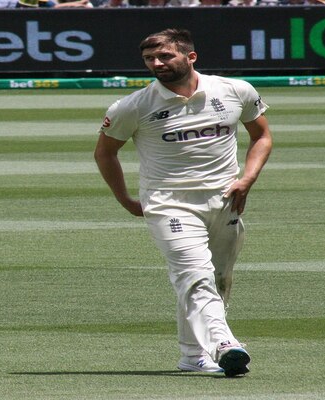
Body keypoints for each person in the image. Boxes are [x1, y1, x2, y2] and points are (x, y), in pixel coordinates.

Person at [94, 28, 272, 377]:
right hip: (168, 203)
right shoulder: (133, 106)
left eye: (164, 56)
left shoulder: (235, 91)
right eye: (149, 59)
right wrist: (126, 199)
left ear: (190, 57)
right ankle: (225, 344)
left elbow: (262, 135)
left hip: (225, 201)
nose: (156, 64)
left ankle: (192, 355)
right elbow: (105, 153)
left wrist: (247, 178)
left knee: (218, 278)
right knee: (195, 274)